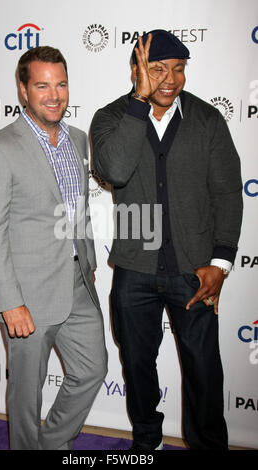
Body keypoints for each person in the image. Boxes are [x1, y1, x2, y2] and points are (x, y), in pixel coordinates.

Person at [90, 30, 243, 450]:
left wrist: (222, 262)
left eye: (178, 69)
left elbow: (228, 194)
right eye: (157, 68)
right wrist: (138, 105)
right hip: (135, 271)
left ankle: (209, 444)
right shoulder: (109, 118)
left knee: (203, 369)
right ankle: (147, 441)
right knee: (137, 365)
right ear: (137, 70)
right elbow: (116, 171)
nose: (170, 78)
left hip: (195, 270)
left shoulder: (207, 120)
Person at [0, 46, 107, 450]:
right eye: (42, 85)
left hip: (77, 283)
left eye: (61, 84)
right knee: (26, 395)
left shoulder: (79, 140)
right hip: (26, 294)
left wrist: (89, 259)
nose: (54, 95)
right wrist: (8, 301)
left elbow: (78, 208)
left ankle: (50, 444)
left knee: (92, 370)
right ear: (23, 89)